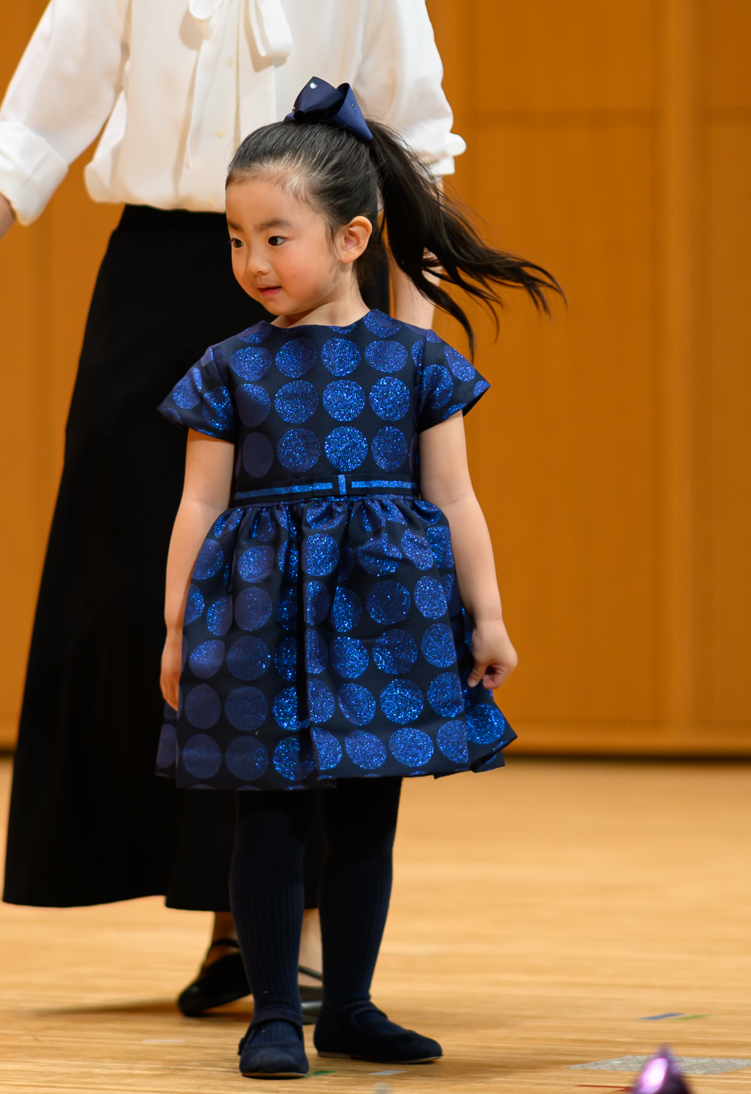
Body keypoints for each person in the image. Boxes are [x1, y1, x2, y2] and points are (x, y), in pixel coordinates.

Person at [0, 0, 466, 1009]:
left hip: (321, 304)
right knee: (141, 590)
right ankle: (225, 908)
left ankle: (311, 921)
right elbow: (41, 110)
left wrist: (412, 353)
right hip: (164, 279)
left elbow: (418, 162)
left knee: (310, 615)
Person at [156, 78, 558, 1078]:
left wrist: (489, 613)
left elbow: (455, 500)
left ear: (350, 237)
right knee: (269, 810)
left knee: (367, 814)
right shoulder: (227, 366)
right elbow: (198, 506)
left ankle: (350, 1005)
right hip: (259, 616)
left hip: (385, 610)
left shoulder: (417, 363)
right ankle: (274, 1012)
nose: (251, 261)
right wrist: (174, 628)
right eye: (235, 238)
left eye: (275, 236)